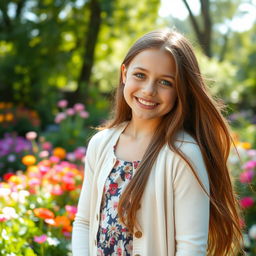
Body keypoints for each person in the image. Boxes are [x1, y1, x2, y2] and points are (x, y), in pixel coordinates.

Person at [72, 28, 244, 256]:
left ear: (180, 90)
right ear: (124, 73)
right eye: (140, 75)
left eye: (165, 82)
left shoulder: (183, 155)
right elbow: (84, 222)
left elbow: (191, 248)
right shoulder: (100, 144)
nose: (149, 90)